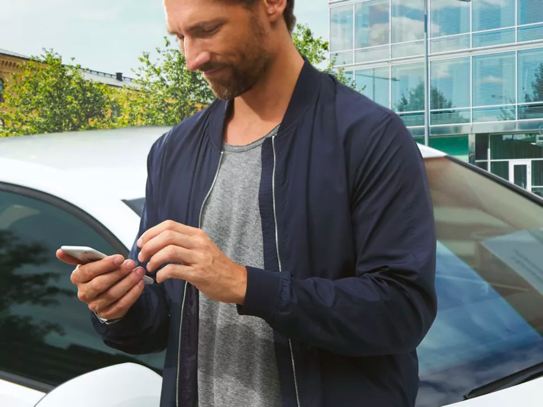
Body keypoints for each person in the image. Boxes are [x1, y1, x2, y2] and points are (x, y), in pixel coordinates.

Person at [57, 0, 437, 406]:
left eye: (206, 30)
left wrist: (244, 285)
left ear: (273, 5)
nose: (191, 58)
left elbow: (402, 312)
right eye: (180, 37)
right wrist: (118, 306)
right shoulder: (173, 151)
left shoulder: (369, 138)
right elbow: (158, 326)